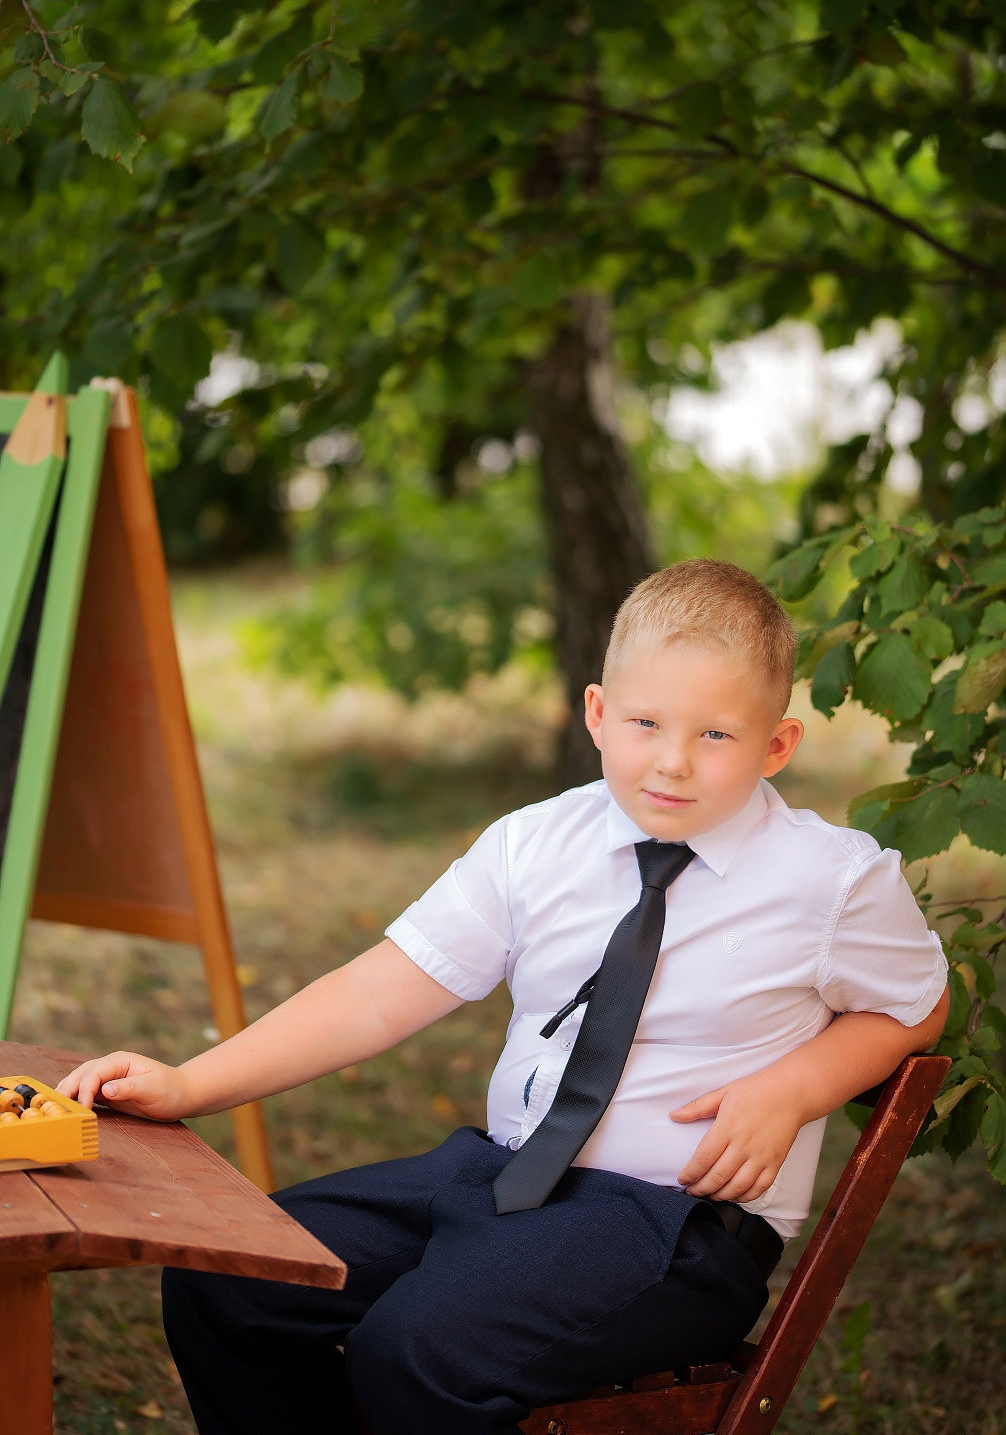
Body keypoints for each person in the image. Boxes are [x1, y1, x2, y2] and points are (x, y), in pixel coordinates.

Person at [59, 559, 949, 1435]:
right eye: (646, 722)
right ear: (597, 715)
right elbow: (379, 993)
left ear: (777, 745)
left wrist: (793, 1090)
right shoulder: (535, 845)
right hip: (500, 1178)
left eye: (717, 735)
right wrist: (188, 1085)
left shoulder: (828, 881)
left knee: (416, 1351)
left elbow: (918, 1006)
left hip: (675, 1229)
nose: (673, 763)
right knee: (231, 1278)